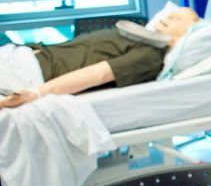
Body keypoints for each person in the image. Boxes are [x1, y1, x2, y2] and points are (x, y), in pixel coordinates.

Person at [0, 6, 199, 109]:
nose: (169, 17)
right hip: (21, 57)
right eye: (172, 14)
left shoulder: (150, 55)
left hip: (29, 72)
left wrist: (36, 93)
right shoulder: (140, 37)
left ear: (187, 33)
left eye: (178, 18)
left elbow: (99, 74)